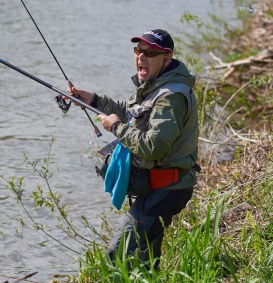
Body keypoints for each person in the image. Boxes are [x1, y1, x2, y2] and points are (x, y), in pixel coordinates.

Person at [67, 29, 199, 270]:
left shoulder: (170, 96)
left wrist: (116, 127)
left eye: (150, 52)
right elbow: (129, 110)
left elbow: (153, 147)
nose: (141, 57)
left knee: (117, 261)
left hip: (166, 189)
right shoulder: (155, 85)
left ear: (167, 58)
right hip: (157, 187)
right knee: (144, 263)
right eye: (138, 50)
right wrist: (93, 99)